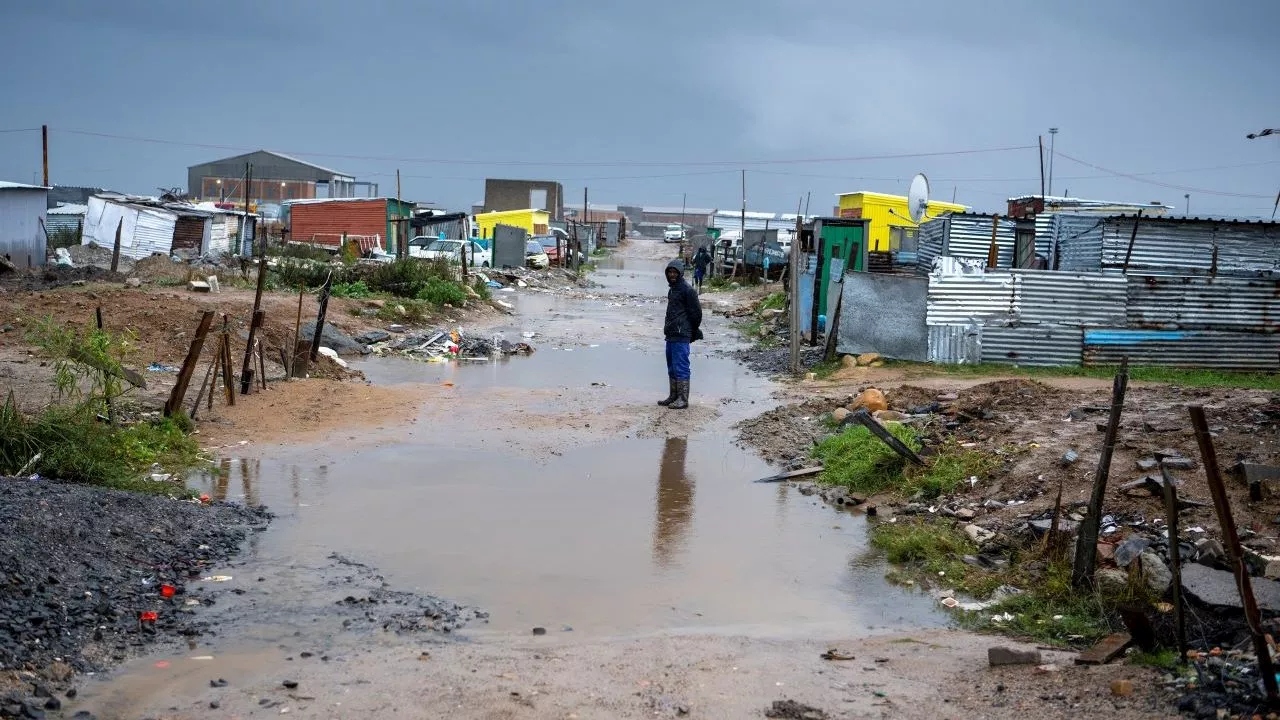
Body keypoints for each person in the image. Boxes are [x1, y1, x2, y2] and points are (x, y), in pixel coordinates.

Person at [658, 259, 702, 410]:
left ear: (680, 273)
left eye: (674, 272)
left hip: (681, 334)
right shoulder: (673, 289)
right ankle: (674, 396)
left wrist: (691, 331)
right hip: (671, 334)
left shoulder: (687, 290)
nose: (672, 275)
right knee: (671, 366)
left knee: (681, 366)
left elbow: (696, 314)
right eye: (669, 272)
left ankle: (683, 399)